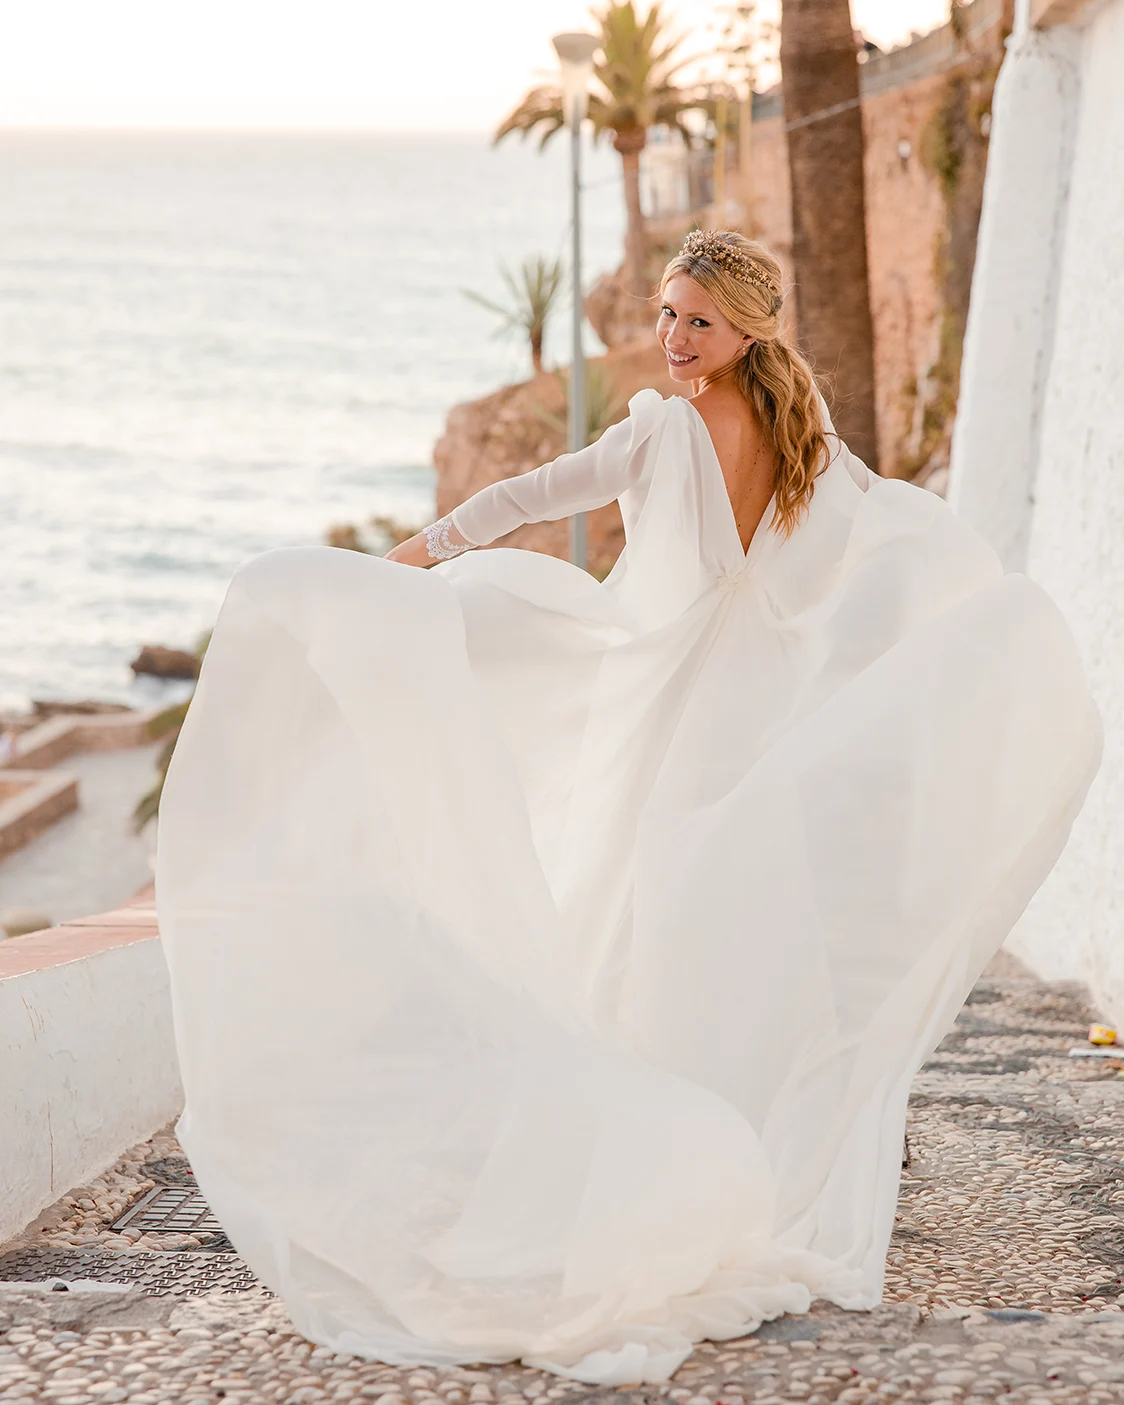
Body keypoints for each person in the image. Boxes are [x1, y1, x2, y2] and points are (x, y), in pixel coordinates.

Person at [156, 232, 1101, 1385]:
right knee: (694, 925)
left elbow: (521, 497)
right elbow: (893, 540)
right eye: (665, 315)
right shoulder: (807, 441)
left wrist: (403, 562)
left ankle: (637, 1162)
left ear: (745, 330)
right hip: (754, 715)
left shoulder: (664, 428)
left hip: (672, 714)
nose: (670, 339)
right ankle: (696, 1139)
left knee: (619, 914)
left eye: (694, 321)